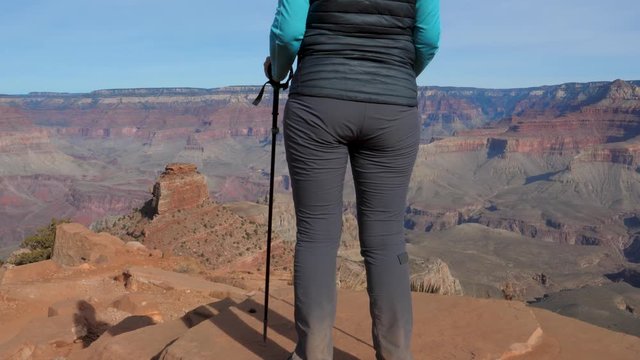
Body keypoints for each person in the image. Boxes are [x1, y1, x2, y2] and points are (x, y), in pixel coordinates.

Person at [264, 1, 440, 359]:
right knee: (387, 239)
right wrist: (396, 75)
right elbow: (429, 39)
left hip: (318, 102)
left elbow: (289, 31)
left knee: (317, 235)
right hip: (393, 109)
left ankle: (313, 354)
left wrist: (279, 69)